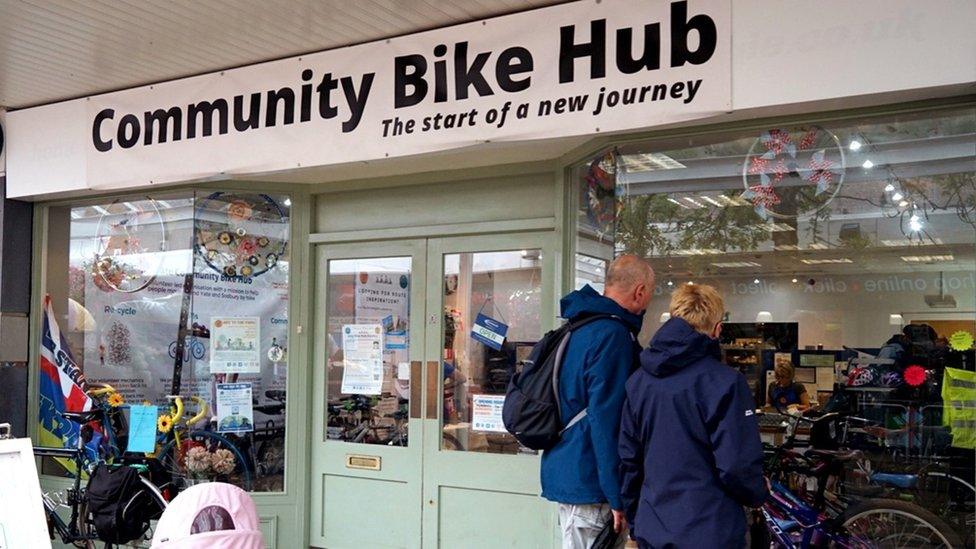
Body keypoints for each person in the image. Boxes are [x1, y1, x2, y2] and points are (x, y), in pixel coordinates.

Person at [619, 284, 766, 549]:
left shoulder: (638, 382)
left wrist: (635, 521)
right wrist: (758, 493)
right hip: (712, 529)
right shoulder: (726, 383)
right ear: (717, 329)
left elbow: (630, 460)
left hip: (654, 527)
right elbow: (736, 465)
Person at [541, 255, 654, 549]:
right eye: (650, 294)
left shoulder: (579, 326)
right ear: (640, 291)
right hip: (591, 483)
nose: (647, 303)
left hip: (570, 469)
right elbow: (606, 421)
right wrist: (617, 495)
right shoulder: (613, 335)